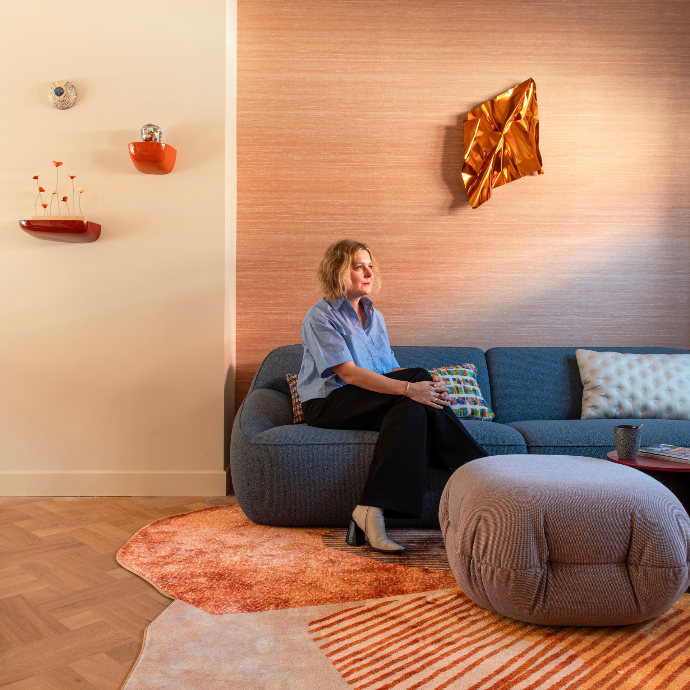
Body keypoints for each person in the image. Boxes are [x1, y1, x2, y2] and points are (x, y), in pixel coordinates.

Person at [297, 239, 489, 553]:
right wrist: (411, 387)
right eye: (358, 267)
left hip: (369, 399)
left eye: (370, 265)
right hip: (329, 403)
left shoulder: (376, 317)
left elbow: (389, 369)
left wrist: (427, 389)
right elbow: (349, 374)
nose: (368, 272)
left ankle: (370, 509)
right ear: (338, 271)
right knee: (416, 381)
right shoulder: (320, 317)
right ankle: (480, 469)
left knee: (413, 408)